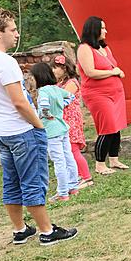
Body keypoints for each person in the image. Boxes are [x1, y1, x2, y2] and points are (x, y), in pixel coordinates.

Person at [0, 6, 78, 246]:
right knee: (33, 179)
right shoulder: (5, 62)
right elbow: (20, 101)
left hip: (0, 130)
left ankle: (20, 229)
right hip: (21, 131)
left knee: (11, 181)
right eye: (13, 29)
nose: (17, 34)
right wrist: (39, 125)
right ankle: (47, 231)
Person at [77, 16, 128, 176]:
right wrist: (112, 72)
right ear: (94, 29)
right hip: (98, 94)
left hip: (116, 93)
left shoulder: (104, 48)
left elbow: (112, 65)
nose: (106, 31)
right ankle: (100, 164)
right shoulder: (84, 48)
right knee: (107, 127)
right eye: (103, 28)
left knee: (116, 126)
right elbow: (90, 71)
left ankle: (114, 159)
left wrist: (117, 71)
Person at [33, 62, 80, 202]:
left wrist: (44, 116)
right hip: (62, 127)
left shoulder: (43, 92)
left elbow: (44, 107)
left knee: (58, 161)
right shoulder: (56, 89)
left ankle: (62, 192)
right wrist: (61, 107)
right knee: (68, 157)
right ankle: (73, 186)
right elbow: (71, 96)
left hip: (51, 130)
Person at [53, 53, 92, 188]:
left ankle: (86, 177)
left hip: (71, 119)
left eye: (55, 68)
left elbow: (62, 99)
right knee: (67, 150)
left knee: (73, 149)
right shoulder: (58, 83)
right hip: (62, 120)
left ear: (64, 69)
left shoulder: (71, 83)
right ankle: (76, 176)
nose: (53, 71)